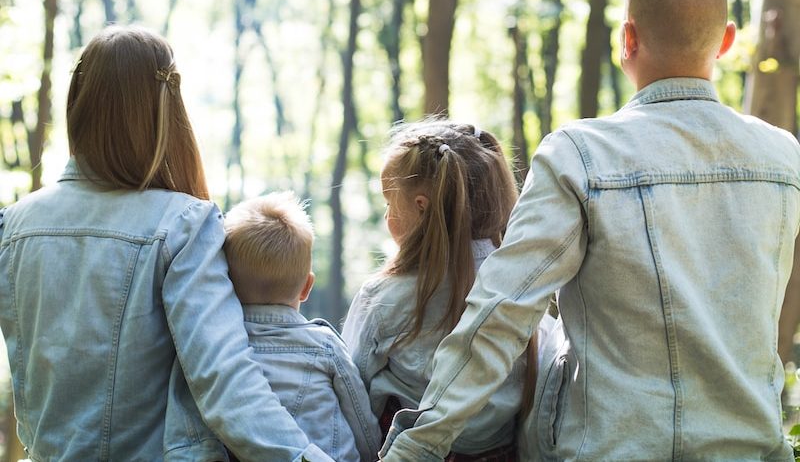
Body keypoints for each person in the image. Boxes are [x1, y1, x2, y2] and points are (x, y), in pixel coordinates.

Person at [379, 0, 800, 461]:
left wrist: (419, 446)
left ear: (628, 39)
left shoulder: (580, 156)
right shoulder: (783, 158)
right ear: (727, 41)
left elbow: (500, 313)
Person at [0, 25, 332, 461]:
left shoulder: (14, 225)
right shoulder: (182, 225)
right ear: (166, 109)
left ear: (77, 104)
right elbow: (225, 382)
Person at [342, 119, 553, 460]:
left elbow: (351, 390)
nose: (386, 215)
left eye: (389, 204)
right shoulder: (522, 288)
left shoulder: (384, 297)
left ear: (421, 207)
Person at [217, 191, 381, 462]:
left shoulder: (220, 349)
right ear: (307, 287)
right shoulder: (324, 345)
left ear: (226, 284)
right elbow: (362, 423)